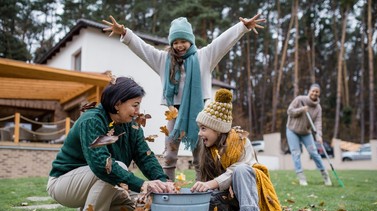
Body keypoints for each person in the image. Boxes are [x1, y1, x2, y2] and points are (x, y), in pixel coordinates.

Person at [102, 14, 266, 181]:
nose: (179, 45)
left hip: (199, 114)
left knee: (200, 157)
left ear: (191, 41)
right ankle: (168, 187)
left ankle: (201, 189)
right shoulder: (163, 60)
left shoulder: (204, 57)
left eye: (183, 41)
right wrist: (125, 32)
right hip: (174, 113)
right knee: (169, 156)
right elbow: (143, 49)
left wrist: (242, 27)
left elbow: (222, 43)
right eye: (175, 42)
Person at [47, 76, 175, 211]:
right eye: (135, 105)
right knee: (113, 166)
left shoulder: (131, 126)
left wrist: (163, 182)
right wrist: (143, 184)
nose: (138, 111)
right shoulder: (93, 120)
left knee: (146, 202)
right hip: (63, 184)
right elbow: (101, 165)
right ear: (117, 104)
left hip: (94, 183)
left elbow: (145, 156)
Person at [190, 88, 290, 211]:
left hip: (250, 194)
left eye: (203, 128)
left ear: (217, 129)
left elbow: (237, 172)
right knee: (204, 187)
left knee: (241, 171)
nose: (200, 134)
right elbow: (202, 179)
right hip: (229, 197)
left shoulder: (241, 143)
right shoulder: (206, 150)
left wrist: (211, 184)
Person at [286, 83, 332, 186]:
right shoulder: (300, 100)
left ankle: (325, 175)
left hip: (306, 133)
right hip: (292, 130)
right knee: (296, 153)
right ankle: (301, 177)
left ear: (319, 94)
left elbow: (318, 122)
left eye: (317, 92)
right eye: (313, 91)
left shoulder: (318, 108)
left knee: (314, 153)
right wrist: (301, 110)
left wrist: (318, 134)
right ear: (309, 91)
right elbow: (290, 111)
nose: (315, 93)